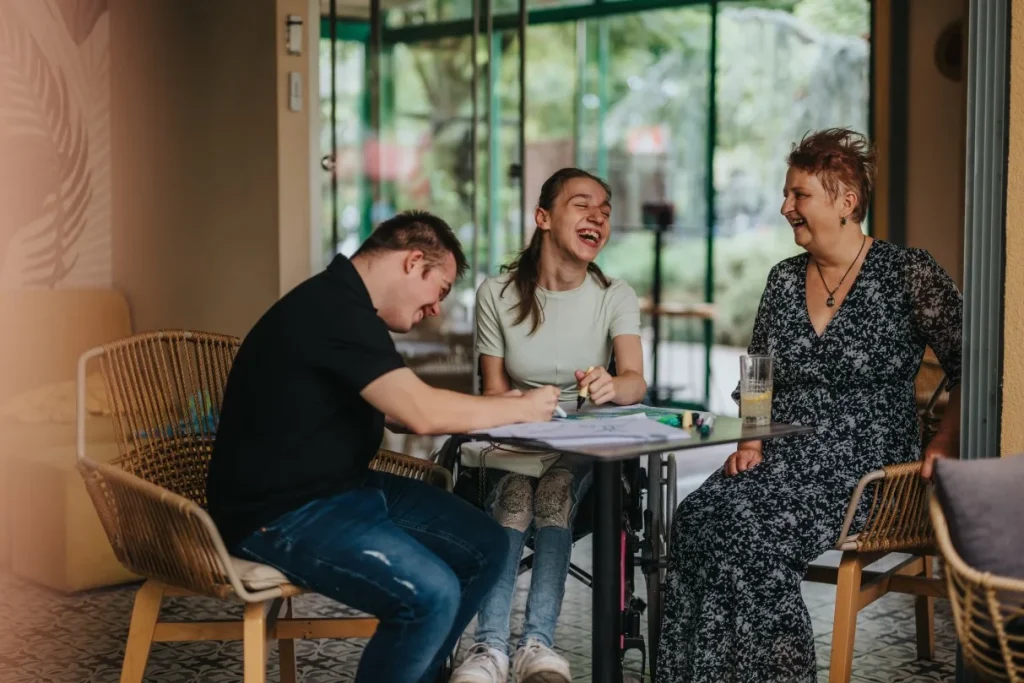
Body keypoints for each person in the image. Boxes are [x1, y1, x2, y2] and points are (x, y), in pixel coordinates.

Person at [658, 128, 963, 682]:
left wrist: (944, 440)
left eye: (799, 194)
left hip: (868, 468)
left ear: (846, 201)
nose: (785, 208)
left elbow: (973, 363)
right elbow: (758, 374)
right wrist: (752, 439)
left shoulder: (907, 272)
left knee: (750, 532)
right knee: (697, 517)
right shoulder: (783, 279)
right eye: (786, 194)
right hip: (781, 457)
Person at [205, 211, 562, 683]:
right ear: (413, 262)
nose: (436, 309)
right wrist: (520, 409)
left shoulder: (349, 307)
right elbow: (418, 413)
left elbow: (395, 407)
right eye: (440, 289)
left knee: (488, 545)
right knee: (430, 595)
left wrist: (499, 406)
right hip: (279, 512)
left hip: (343, 488)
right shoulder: (334, 311)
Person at [451, 168, 647, 683]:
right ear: (543, 217)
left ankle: (537, 643)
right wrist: (524, 404)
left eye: (605, 210)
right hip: (515, 438)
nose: (597, 216)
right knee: (516, 495)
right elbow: (494, 393)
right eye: (582, 205)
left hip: (582, 446)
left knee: (556, 489)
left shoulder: (614, 294)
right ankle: (489, 649)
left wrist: (611, 384)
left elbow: (635, 382)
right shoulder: (496, 293)